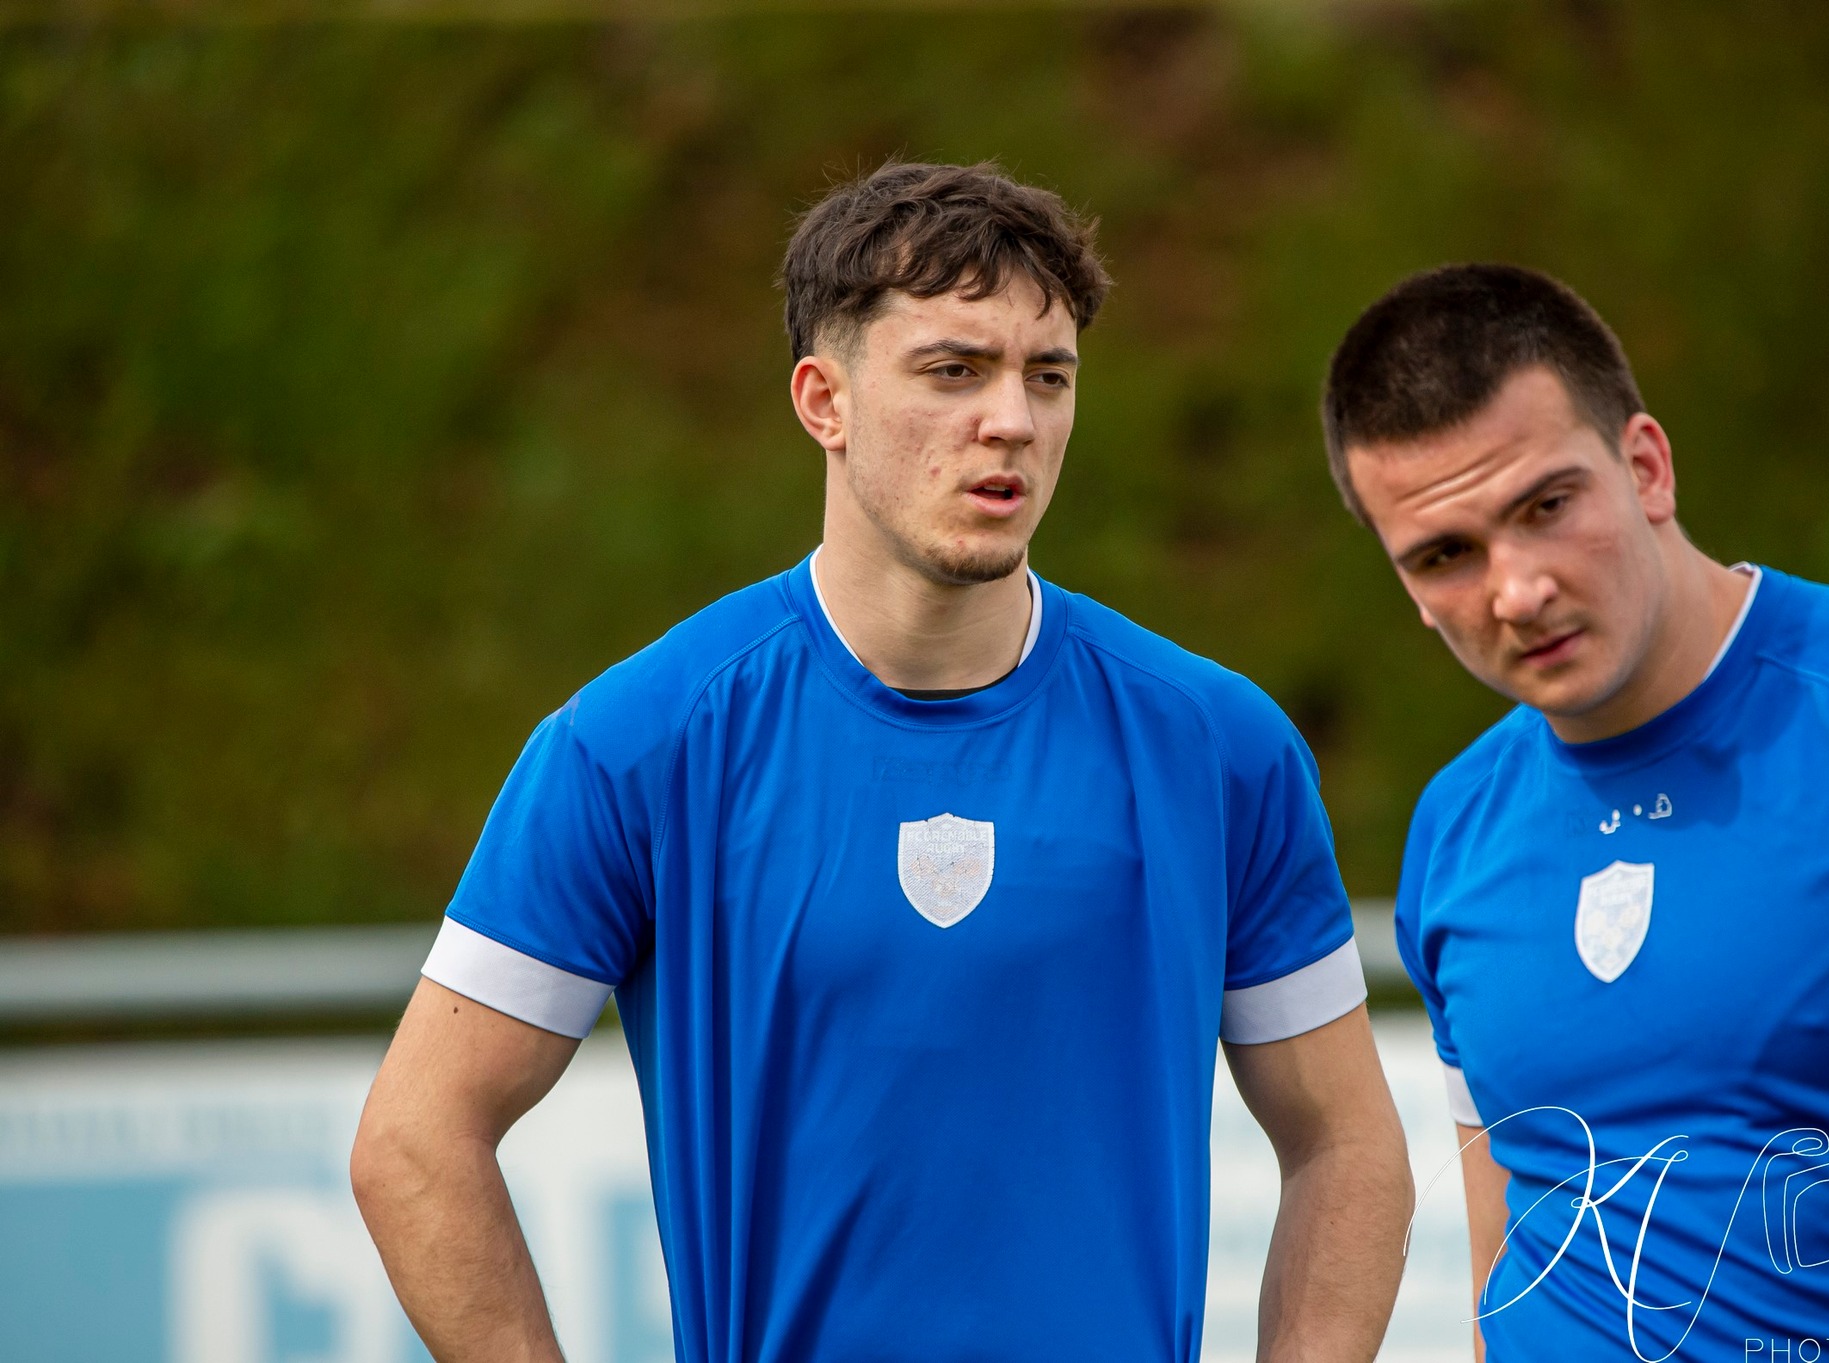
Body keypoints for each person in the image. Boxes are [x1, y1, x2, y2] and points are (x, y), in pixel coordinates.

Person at [351, 161, 1414, 1363]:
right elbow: (415, 1136)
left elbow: (1346, 1142)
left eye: (1046, 376)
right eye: (953, 370)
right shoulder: (636, 742)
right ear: (824, 399)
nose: (1010, 418)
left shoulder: (1217, 745)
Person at [1320, 263, 1829, 1361]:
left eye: (1544, 506)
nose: (1513, 589)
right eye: (1444, 555)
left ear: (1645, 465)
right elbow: (1503, 1264)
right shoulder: (1455, 825)